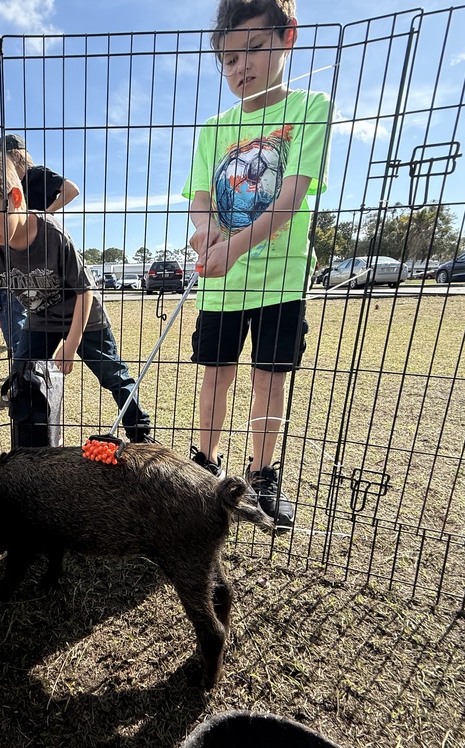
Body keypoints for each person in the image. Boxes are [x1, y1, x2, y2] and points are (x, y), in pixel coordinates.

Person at [183, 0, 331, 530]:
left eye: (254, 48)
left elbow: (290, 200)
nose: (240, 66)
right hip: (220, 285)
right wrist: (206, 228)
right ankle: (205, 465)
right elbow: (201, 197)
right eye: (228, 59)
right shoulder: (212, 130)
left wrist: (236, 247)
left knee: (270, 380)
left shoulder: (311, 108)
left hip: (280, 281)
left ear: (287, 37)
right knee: (215, 376)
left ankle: (263, 473)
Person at [0, 151, 152, 445]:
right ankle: (35, 444)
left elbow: (86, 291)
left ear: (16, 198)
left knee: (113, 375)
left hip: (83, 318)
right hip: (41, 319)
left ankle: (140, 433)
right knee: (22, 379)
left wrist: (70, 345)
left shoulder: (52, 234)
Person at [0, 134, 82, 370]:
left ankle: (30, 374)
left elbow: (71, 190)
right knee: (14, 323)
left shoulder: (36, 175)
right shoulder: (5, 187)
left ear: (15, 156)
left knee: (35, 320)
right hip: (14, 261)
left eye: (3, 159)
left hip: (42, 259)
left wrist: (45, 214)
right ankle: (24, 373)